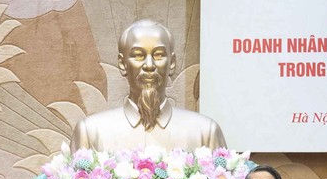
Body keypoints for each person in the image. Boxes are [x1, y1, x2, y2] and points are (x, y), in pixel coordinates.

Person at [70, 19, 227, 153]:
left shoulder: (205, 133)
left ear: (171, 63)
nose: (149, 65)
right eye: (138, 55)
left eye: (159, 55)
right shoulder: (90, 132)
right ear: (122, 64)